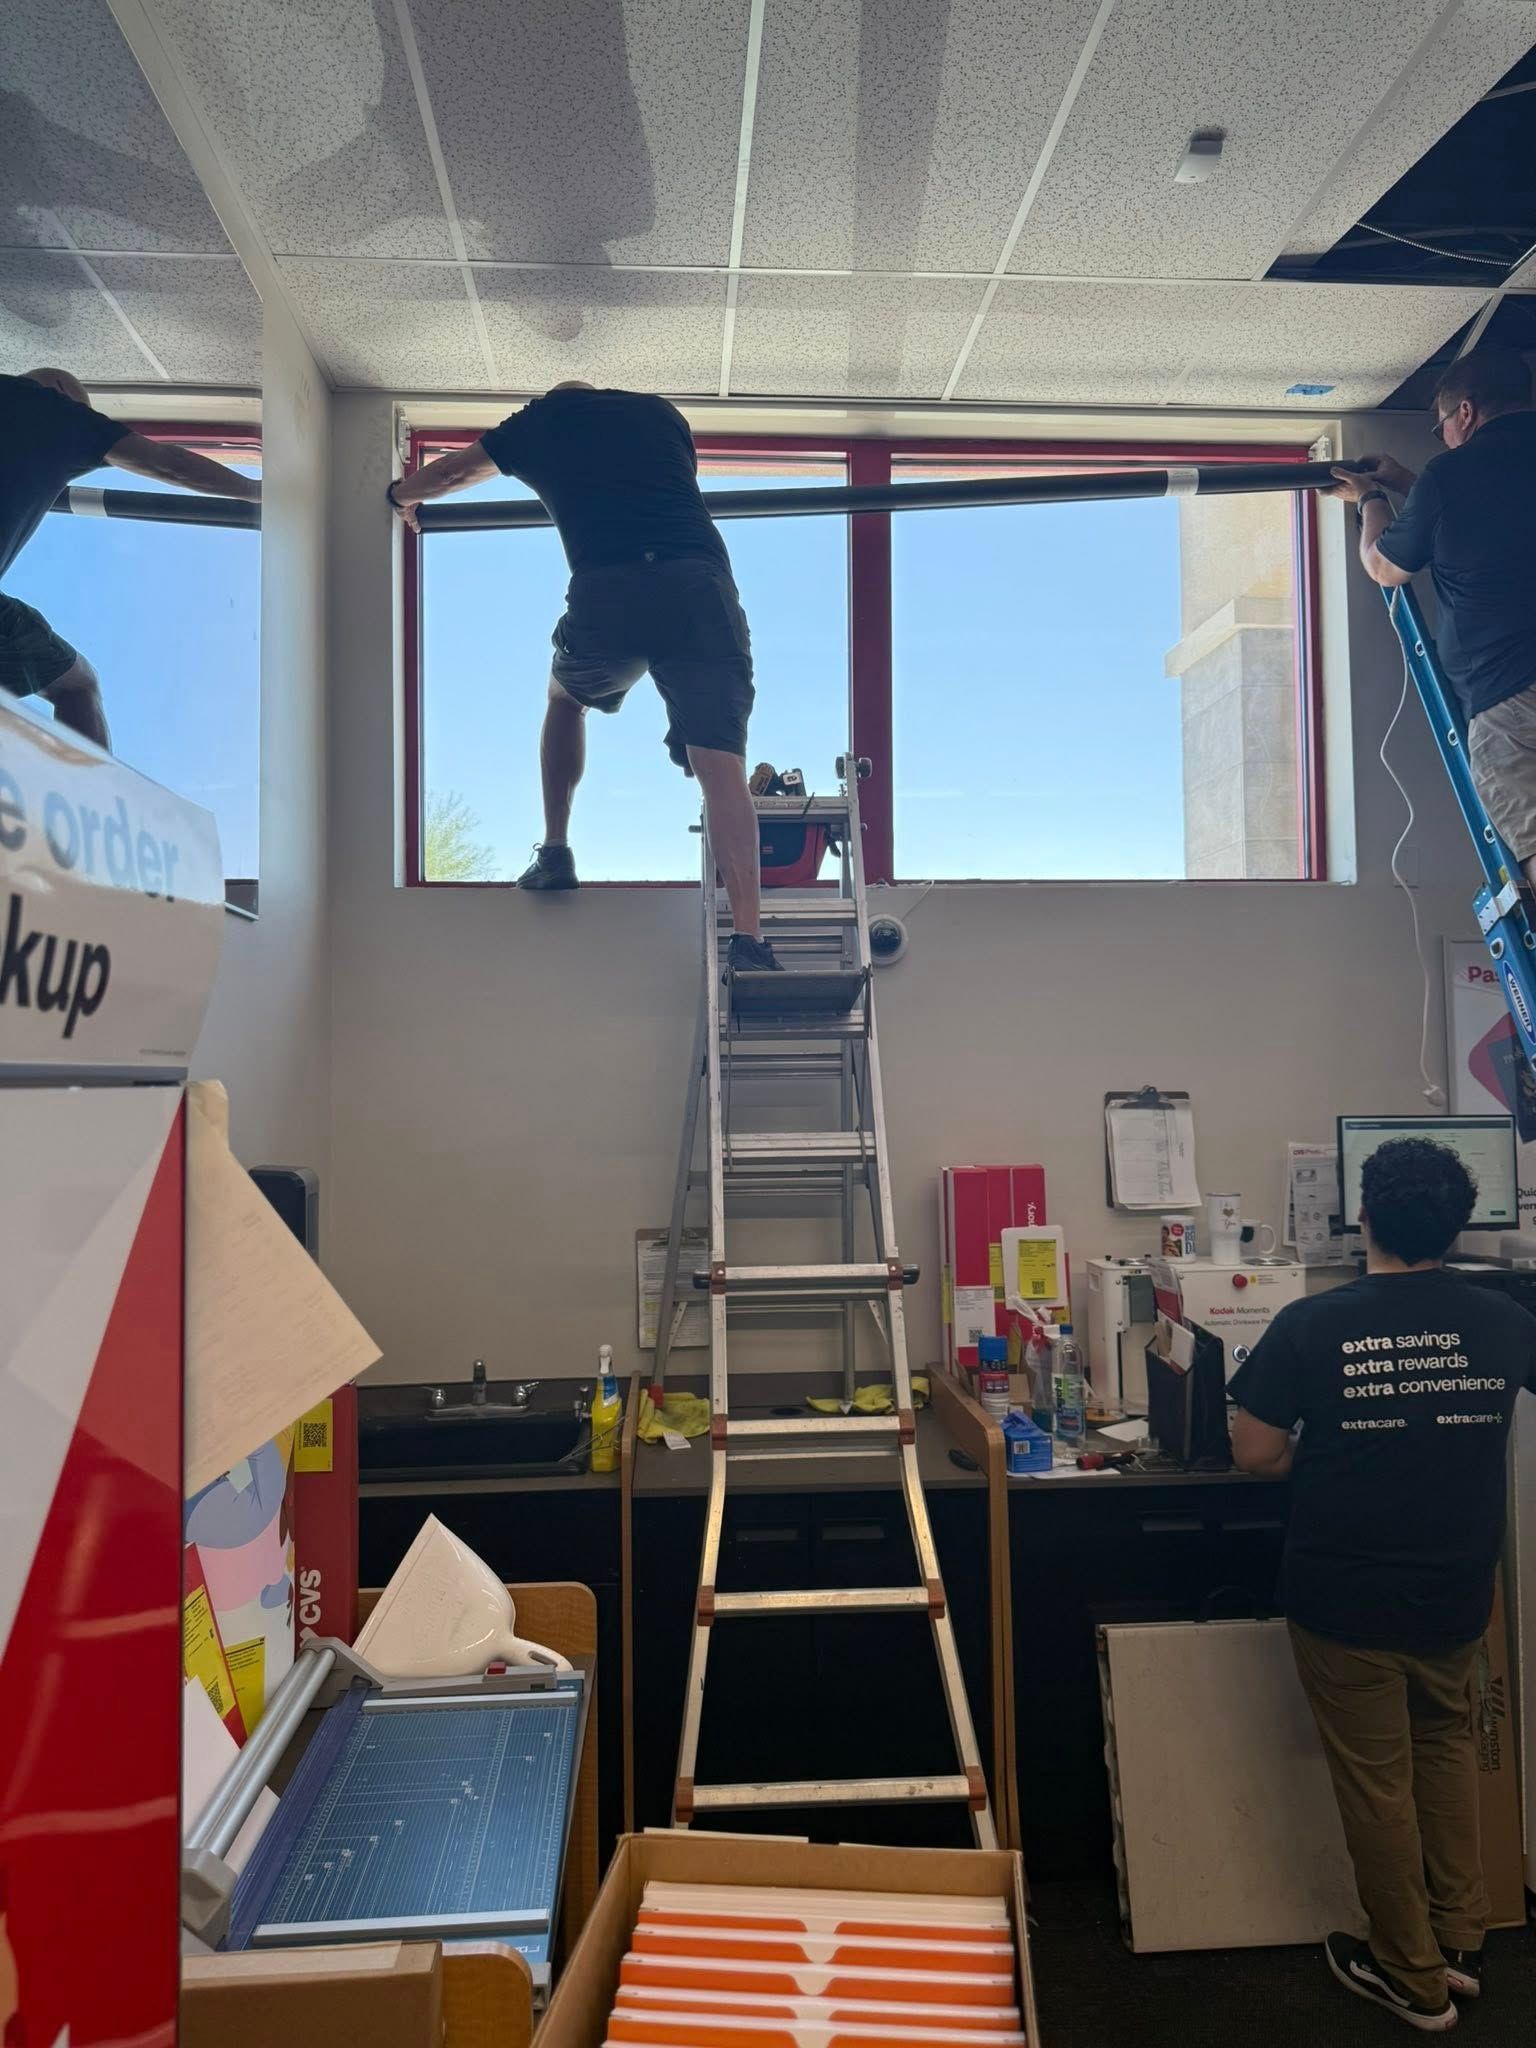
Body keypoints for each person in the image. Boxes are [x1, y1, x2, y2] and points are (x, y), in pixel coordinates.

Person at [1229, 1137, 1536, 2031]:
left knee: (1378, 1785)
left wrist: (1324, 1449)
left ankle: (1410, 1976)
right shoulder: (1505, 1320)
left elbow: (1254, 1452)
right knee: (1442, 1751)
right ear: (1457, 1224)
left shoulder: (1313, 1323)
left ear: (1364, 1218)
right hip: (1455, 1592)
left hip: (1346, 1596)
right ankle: (1458, 1938)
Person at [385, 382, 778, 969]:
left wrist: (398, 496)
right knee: (721, 769)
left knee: (565, 698)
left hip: (611, 588)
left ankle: (556, 853)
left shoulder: (546, 419)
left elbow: (447, 477)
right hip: (700, 588)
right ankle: (748, 940)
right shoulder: (661, 413)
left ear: (559, 395)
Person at [1329, 343, 1536, 882]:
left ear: (1465, 411)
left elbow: (1383, 566)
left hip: (1510, 694)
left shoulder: (1452, 475)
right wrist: (1402, 482)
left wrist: (1370, 501)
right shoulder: (1457, 480)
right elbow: (1490, 517)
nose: (1442, 436)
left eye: (1440, 424)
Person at [1, 367, 261, 749]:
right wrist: (258, 492)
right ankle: (88, 797)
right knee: (78, 685)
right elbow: (167, 462)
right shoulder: (54, 411)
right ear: (59, 390)